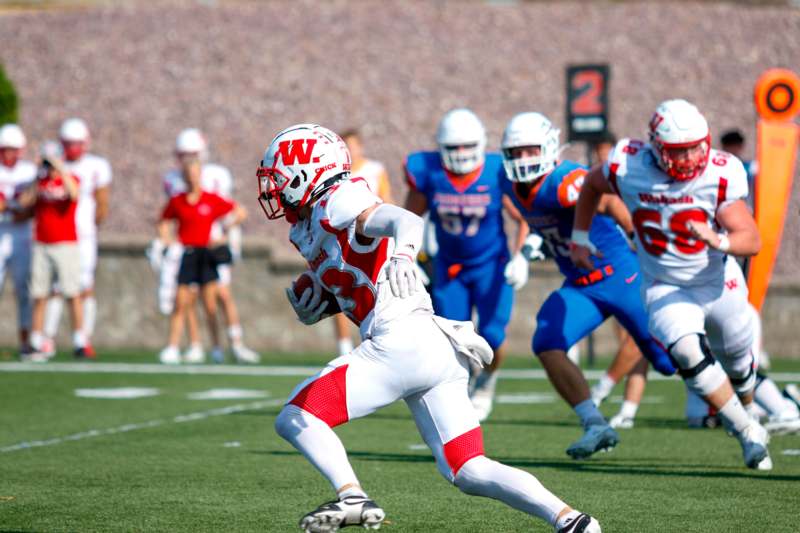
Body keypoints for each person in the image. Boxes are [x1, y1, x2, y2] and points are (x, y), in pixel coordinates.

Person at [261, 123, 601, 533]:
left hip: (398, 343)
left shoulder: (339, 198)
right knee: (468, 469)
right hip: (433, 347)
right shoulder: (315, 220)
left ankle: (352, 495)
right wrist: (323, 302)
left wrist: (404, 256)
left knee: (297, 416)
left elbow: (406, 221)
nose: (274, 190)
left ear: (307, 172)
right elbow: (360, 274)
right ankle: (571, 520)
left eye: (279, 179)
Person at [571, 98, 772, 469]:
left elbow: (753, 239)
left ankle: (749, 408)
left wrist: (720, 241)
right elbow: (590, 185)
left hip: (716, 279)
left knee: (739, 364)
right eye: (680, 151)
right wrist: (580, 237)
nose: (692, 157)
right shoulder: (627, 164)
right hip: (666, 284)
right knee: (686, 354)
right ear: (656, 148)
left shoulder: (719, 172)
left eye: (697, 146)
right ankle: (747, 432)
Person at [499, 112, 675, 459]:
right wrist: (527, 251)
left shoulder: (565, 180)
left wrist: (636, 235)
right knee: (547, 342)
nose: (523, 159)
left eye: (529, 150)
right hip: (582, 286)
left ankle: (755, 405)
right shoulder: (515, 188)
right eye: (516, 152)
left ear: (549, 147)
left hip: (621, 276)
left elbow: (608, 200)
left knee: (674, 358)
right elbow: (544, 225)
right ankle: (595, 424)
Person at [404, 108, 529, 421]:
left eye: (466, 147)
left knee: (492, 335)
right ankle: (459, 390)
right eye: (454, 147)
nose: (460, 154)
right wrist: (408, 255)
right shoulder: (428, 171)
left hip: (492, 265)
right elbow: (408, 220)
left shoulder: (496, 171)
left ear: (481, 145)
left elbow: (526, 216)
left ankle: (487, 382)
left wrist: (521, 255)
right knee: (451, 339)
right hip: (451, 267)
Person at [155, 129, 259, 364]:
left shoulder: (214, 185)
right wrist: (166, 241)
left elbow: (235, 210)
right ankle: (192, 344)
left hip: (210, 248)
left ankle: (233, 344)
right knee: (185, 299)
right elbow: (165, 218)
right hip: (188, 250)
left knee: (219, 297)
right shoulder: (176, 189)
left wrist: (224, 233)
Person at [41, 118, 112, 358]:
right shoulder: (53, 164)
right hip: (59, 234)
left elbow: (102, 203)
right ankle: (46, 338)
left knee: (83, 287)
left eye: (76, 143)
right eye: (68, 143)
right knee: (56, 287)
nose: (72, 148)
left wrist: (93, 226)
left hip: (84, 235)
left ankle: (83, 338)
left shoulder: (96, 166)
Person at [18, 142, 86, 360]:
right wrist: (38, 177)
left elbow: (75, 194)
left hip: (66, 243)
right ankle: (36, 340)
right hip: (42, 242)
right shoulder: (40, 181)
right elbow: (24, 201)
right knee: (39, 294)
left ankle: (80, 340)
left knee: (72, 292)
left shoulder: (69, 177)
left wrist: (60, 168)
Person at [331, 129, 394, 357]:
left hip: (372, 241)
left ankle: (375, 343)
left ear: (361, 147)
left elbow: (388, 202)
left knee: (375, 295)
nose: (351, 150)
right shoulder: (336, 174)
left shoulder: (374, 170)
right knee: (338, 291)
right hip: (344, 243)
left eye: (353, 145)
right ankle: (344, 349)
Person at [0, 124, 36, 355]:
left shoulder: (29, 172)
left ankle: (25, 341)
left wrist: (19, 209)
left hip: (22, 233)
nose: (7, 153)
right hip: (1, 232)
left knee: (23, 288)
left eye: (11, 149)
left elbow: (32, 204)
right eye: (4, 149)